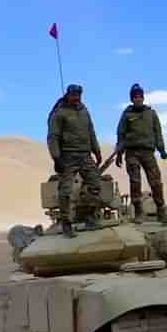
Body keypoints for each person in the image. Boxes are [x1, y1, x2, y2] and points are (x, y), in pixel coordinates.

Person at [47, 84, 103, 238]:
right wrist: (56, 158)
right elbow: (53, 137)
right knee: (65, 191)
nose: (76, 97)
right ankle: (66, 223)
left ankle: (89, 216)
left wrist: (96, 150)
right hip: (68, 156)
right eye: (73, 94)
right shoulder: (59, 113)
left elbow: (91, 131)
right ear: (68, 94)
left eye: (79, 94)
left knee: (95, 184)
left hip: (85, 155)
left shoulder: (84, 111)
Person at [115, 83, 167, 224]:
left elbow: (158, 133)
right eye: (135, 97)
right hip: (132, 152)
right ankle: (138, 211)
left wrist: (162, 150)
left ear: (143, 97)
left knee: (156, 182)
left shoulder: (151, 114)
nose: (138, 99)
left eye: (140, 96)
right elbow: (121, 134)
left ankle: (161, 210)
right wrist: (119, 153)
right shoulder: (127, 115)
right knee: (135, 182)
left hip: (148, 152)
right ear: (132, 99)